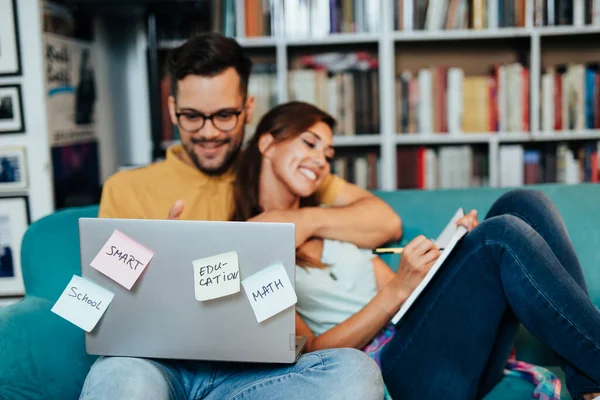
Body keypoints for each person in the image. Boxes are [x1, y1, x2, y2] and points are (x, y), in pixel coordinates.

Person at [81, 32, 397, 399]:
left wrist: (301, 221)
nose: (209, 132)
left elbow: (385, 222)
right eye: (192, 117)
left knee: (354, 373)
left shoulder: (276, 168)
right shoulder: (127, 189)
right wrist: (158, 261)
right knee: (122, 375)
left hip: (255, 376)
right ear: (171, 111)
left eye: (224, 116)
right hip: (153, 364)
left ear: (247, 109)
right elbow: (100, 306)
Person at [230, 100, 600, 400]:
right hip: (387, 376)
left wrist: (455, 256)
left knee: (523, 203)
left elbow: (407, 309)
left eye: (328, 154)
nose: (321, 162)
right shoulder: (253, 243)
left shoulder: (334, 221)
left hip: (423, 350)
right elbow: (307, 353)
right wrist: (399, 287)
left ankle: (590, 389)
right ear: (266, 143)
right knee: (499, 236)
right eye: (309, 144)